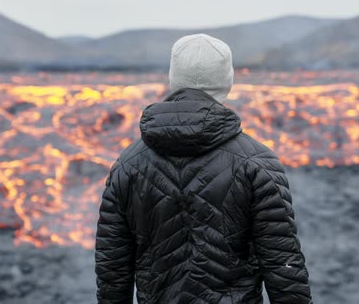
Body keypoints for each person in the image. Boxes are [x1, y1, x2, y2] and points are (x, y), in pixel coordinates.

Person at [95, 34, 312, 304]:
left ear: (174, 79)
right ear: (227, 81)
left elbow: (112, 271)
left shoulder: (127, 164)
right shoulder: (257, 162)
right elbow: (283, 266)